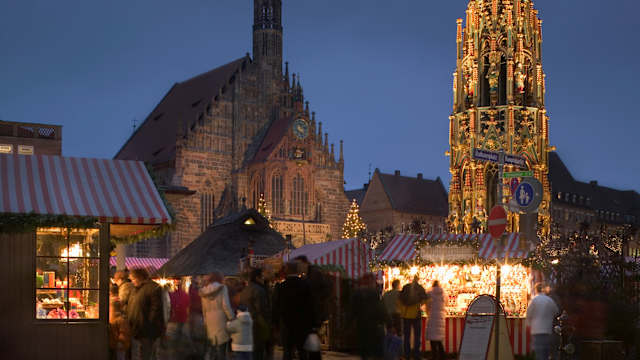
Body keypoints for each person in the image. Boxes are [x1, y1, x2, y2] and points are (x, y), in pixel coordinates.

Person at [274, 262, 314, 360]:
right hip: (302, 323)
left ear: (287, 271)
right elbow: (311, 305)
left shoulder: (281, 287)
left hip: (286, 323)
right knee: (302, 351)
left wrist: (275, 323)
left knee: (287, 351)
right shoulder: (306, 284)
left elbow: (276, 306)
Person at [127, 268, 165, 360]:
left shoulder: (153, 288)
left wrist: (148, 324)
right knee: (139, 353)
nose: (132, 282)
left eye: (133, 279)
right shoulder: (136, 289)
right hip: (137, 327)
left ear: (140, 277)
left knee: (146, 354)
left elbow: (156, 309)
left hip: (147, 329)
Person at [200, 271, 235, 360]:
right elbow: (226, 305)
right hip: (221, 321)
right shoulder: (222, 288)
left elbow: (203, 309)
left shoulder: (203, 291)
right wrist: (232, 318)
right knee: (221, 349)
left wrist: (205, 321)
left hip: (209, 321)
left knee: (212, 348)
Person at [352, 274, 387, 360]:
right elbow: (382, 309)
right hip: (375, 325)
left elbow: (353, 310)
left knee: (364, 350)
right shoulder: (376, 293)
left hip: (362, 324)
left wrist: (350, 323)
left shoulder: (357, 293)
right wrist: (389, 323)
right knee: (376, 350)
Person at [238, 268, 270, 360]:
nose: (263, 279)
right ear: (257, 277)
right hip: (257, 324)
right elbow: (262, 309)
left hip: (246, 323)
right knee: (258, 351)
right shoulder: (259, 290)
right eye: (262, 277)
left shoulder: (245, 290)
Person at [526, 283, 560, 360]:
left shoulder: (534, 300)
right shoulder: (549, 300)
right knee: (546, 352)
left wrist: (529, 325)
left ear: (536, 290)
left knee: (539, 353)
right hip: (547, 330)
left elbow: (529, 314)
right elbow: (556, 311)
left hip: (536, 330)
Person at [399, 276, 427, 360]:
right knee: (417, 336)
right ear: (418, 280)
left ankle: (407, 355)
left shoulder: (405, 287)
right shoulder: (420, 288)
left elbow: (399, 299)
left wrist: (403, 309)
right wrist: (419, 305)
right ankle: (416, 355)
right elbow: (425, 299)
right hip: (416, 314)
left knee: (407, 336)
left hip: (406, 315)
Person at [167, 278, 190, 359]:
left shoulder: (171, 295)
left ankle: (173, 355)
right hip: (183, 318)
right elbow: (188, 306)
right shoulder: (185, 295)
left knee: (173, 341)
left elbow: (169, 306)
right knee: (181, 338)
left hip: (173, 319)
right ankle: (180, 354)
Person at [109, 284, 131, 360]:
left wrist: (121, 343)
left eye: (111, 309)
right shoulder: (115, 319)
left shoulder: (120, 320)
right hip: (116, 344)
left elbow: (124, 334)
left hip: (120, 345)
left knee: (120, 357)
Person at [425, 281, 445, 360]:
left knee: (433, 339)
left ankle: (434, 356)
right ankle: (442, 356)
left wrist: (427, 312)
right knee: (439, 339)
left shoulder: (429, 293)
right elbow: (446, 303)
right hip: (440, 317)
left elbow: (427, 305)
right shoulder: (444, 293)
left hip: (432, 316)